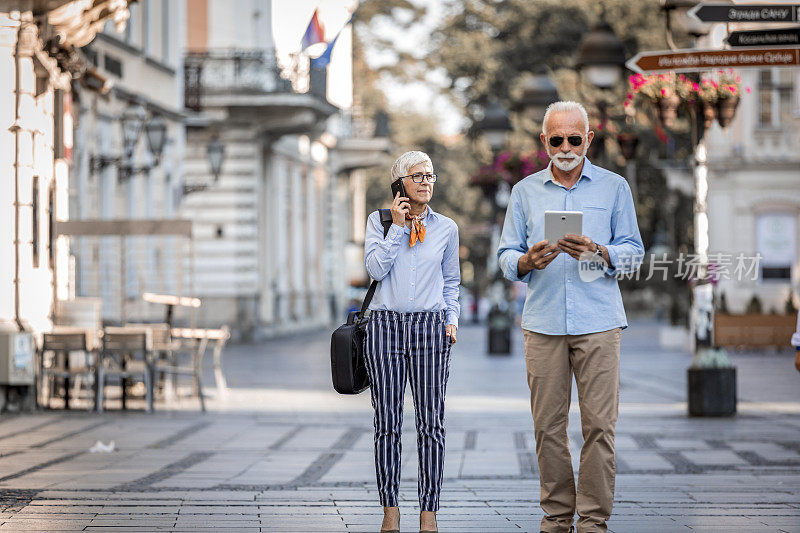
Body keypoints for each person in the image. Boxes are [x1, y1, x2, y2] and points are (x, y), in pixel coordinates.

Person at [497, 101, 644, 533]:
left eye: (574, 139)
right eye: (556, 139)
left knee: (600, 426)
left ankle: (594, 522)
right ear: (544, 141)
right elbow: (504, 254)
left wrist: (600, 250)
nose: (565, 147)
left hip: (599, 322)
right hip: (542, 324)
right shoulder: (524, 192)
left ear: (589, 140)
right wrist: (525, 261)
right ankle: (557, 518)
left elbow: (634, 253)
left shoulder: (615, 188)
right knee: (547, 427)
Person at [363, 150, 460, 533]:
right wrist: (399, 227)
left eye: (430, 176)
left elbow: (452, 282)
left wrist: (451, 319)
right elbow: (374, 268)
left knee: (431, 423)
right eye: (417, 176)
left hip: (431, 328)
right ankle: (390, 510)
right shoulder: (379, 221)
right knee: (386, 421)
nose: (425, 182)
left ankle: (429, 511)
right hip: (384, 327)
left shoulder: (447, 228)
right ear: (399, 183)